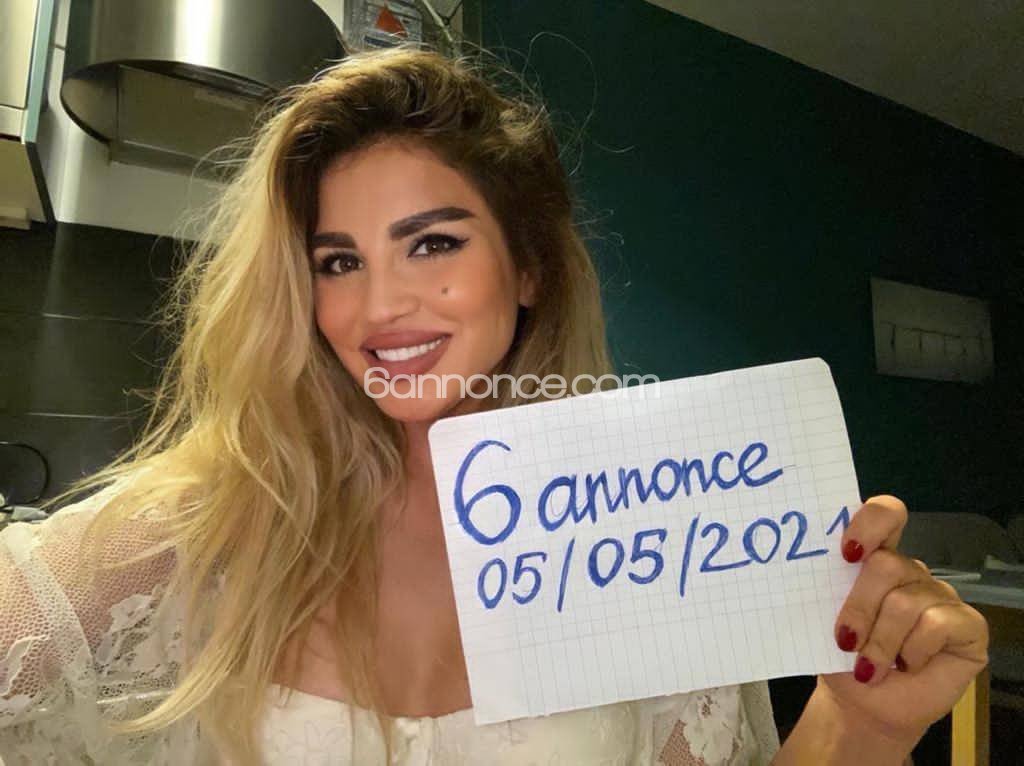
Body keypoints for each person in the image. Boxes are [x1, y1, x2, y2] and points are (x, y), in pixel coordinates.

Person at [0, 43, 988, 765]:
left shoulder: (651, 534)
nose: (378, 307)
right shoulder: (202, 525)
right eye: (338, 262)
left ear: (527, 270)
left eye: (432, 243)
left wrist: (860, 724)